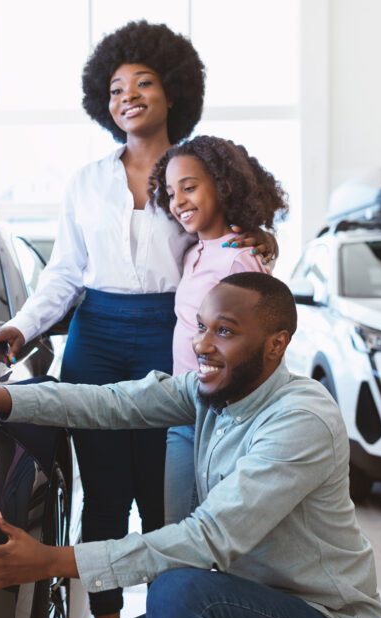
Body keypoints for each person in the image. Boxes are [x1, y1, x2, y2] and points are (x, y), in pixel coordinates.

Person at [0, 273, 381, 618]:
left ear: (277, 344)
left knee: (179, 592)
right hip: (250, 610)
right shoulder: (212, 391)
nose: (203, 346)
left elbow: (209, 539)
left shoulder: (300, 419)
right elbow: (112, 402)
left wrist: (50, 561)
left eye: (226, 332)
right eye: (201, 326)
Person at [0, 20, 275, 618]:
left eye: (144, 82)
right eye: (114, 88)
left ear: (172, 91)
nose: (127, 95)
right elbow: (65, 272)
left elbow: (231, 242)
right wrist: (21, 329)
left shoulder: (193, 177)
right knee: (102, 494)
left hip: (173, 336)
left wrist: (258, 240)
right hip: (96, 337)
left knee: (165, 499)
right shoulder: (86, 182)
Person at [148, 135, 289, 524]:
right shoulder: (194, 251)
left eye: (189, 188)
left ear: (223, 187)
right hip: (184, 411)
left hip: (218, 419)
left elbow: (262, 349)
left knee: (196, 537)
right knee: (176, 530)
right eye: (171, 193)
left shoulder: (240, 260)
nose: (178, 202)